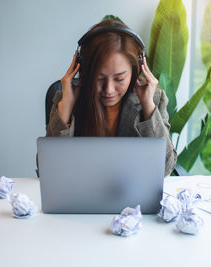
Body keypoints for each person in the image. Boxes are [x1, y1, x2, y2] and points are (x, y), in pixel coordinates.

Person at [46, 20, 177, 176]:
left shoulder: (153, 100)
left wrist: (147, 105)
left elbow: (165, 168)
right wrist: (66, 105)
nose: (109, 90)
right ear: (84, 70)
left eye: (119, 79)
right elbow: (48, 169)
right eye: (99, 77)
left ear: (136, 69)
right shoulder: (67, 99)